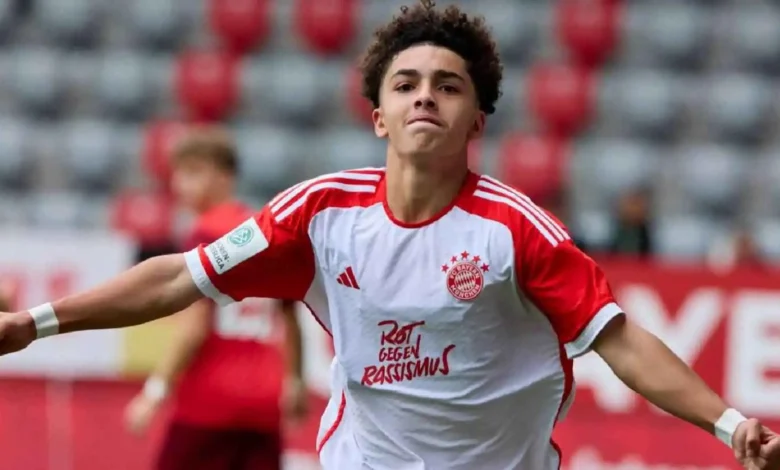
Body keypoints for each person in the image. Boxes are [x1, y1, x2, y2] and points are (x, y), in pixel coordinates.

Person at [0, 2, 778, 469]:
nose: (424, 97)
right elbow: (181, 276)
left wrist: (730, 424)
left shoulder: (519, 231)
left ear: (477, 119)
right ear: (379, 116)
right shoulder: (318, 214)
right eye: (406, 84)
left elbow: (622, 342)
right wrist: (34, 325)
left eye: (448, 85)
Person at [123, 129, 308, 470]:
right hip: (263, 403)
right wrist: (294, 381)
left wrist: (155, 391)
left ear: (224, 176)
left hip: (209, 401)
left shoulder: (206, 234)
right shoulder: (265, 233)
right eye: (178, 174)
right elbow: (289, 316)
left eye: (192, 173)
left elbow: (195, 327)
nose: (180, 184)